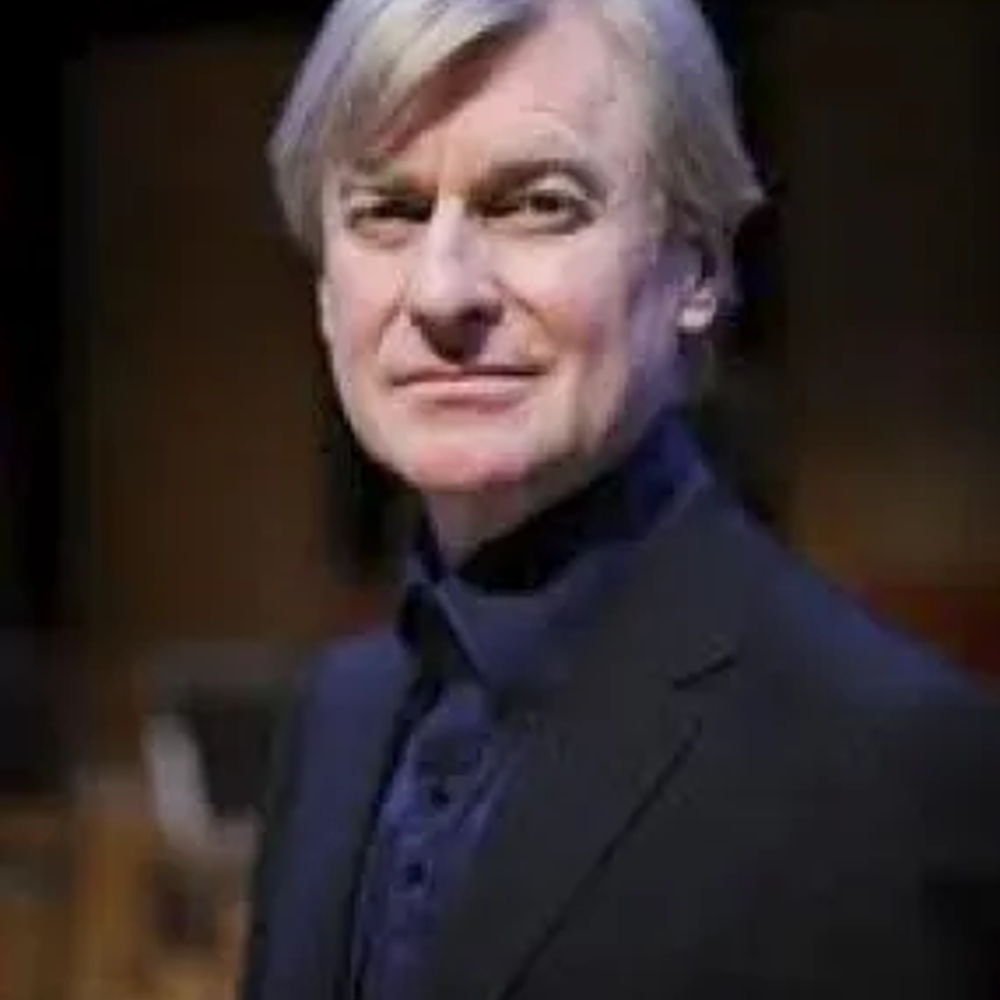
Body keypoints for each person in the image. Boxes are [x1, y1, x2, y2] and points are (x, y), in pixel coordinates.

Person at [241, 0, 1000, 997]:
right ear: (324, 290)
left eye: (535, 204)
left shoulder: (891, 761)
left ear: (697, 265)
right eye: (388, 211)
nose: (441, 292)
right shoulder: (333, 718)